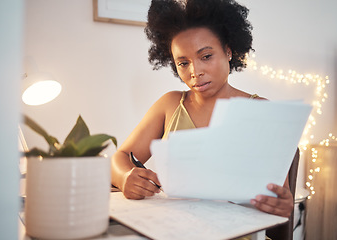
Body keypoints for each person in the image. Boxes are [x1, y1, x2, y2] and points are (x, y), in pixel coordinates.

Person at [111, 0, 294, 220]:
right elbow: (121, 156)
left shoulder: (261, 111)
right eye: (183, 63)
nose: (195, 71)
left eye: (206, 56)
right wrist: (124, 178)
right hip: (174, 227)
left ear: (228, 51)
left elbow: (279, 197)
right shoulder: (169, 105)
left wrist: (282, 204)